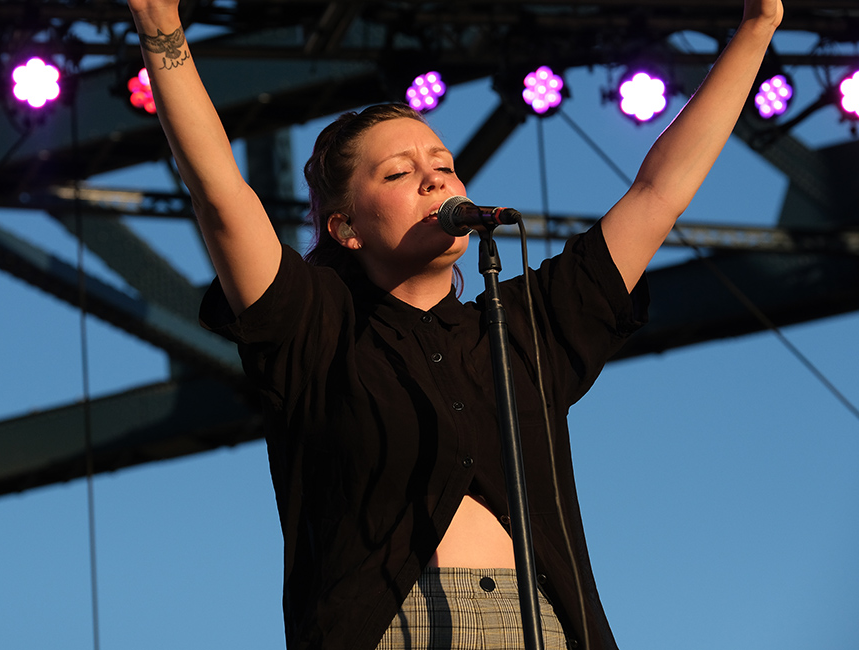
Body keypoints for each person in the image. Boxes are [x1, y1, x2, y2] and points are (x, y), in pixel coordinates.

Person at [125, 1, 783, 648]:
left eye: (442, 165)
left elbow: (658, 193)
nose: (434, 178)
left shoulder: (523, 325)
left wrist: (757, 27)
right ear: (345, 227)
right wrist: (162, 32)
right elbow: (219, 196)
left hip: (542, 626)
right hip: (390, 628)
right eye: (399, 172)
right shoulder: (314, 325)